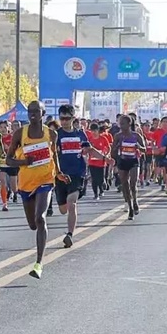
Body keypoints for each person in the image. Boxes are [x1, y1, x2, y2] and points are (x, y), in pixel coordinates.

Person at [6, 101, 69, 279]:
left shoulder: (51, 134)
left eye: (36, 111)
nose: (32, 114)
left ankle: (39, 263)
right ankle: (38, 256)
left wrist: (58, 173)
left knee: (40, 218)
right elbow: (9, 160)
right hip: (26, 183)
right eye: (30, 111)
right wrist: (24, 162)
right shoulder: (20, 133)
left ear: (43, 113)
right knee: (33, 224)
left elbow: (54, 155)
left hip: (45, 180)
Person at [54, 104, 108, 248]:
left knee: (72, 203)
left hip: (77, 174)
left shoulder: (80, 135)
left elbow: (89, 150)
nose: (64, 121)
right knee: (63, 209)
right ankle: (69, 227)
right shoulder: (56, 135)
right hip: (60, 175)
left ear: (73, 118)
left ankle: (70, 235)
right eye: (61, 118)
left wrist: (105, 158)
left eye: (67, 118)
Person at [111, 115, 147, 220]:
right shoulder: (118, 136)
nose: (121, 126)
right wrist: (116, 148)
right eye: (120, 124)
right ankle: (130, 207)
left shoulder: (136, 136)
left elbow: (145, 149)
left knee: (133, 183)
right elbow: (112, 151)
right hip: (122, 161)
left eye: (123, 124)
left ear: (129, 124)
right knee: (124, 185)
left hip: (133, 161)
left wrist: (139, 148)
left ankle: (135, 200)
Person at [0, 121, 20, 211]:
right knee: (3, 182)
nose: (3, 129)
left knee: (14, 185)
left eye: (5, 127)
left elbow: (18, 148)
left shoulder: (12, 137)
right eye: (1, 127)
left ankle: (14, 193)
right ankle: (4, 202)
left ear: (9, 128)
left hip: (12, 163)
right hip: (1, 163)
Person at [87, 123, 112, 200]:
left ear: (98, 130)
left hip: (101, 162)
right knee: (94, 179)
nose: (93, 132)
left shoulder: (103, 138)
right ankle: (95, 194)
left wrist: (106, 154)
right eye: (92, 131)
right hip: (92, 162)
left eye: (95, 130)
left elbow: (108, 148)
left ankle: (101, 189)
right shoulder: (89, 139)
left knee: (100, 179)